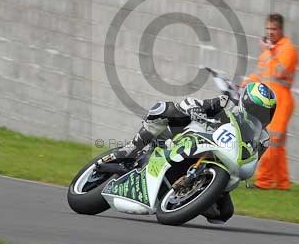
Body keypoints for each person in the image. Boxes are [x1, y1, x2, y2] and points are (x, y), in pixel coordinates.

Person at [113, 82, 277, 223]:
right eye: (256, 109)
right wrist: (196, 110)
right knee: (166, 110)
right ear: (245, 103)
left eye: (265, 112)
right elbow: (198, 104)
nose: (260, 115)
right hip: (193, 135)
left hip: (223, 160)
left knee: (223, 213)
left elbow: (250, 158)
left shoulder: (263, 139)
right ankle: (131, 148)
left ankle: (186, 195)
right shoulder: (227, 104)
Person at [243, 13, 299, 190]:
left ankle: (264, 182)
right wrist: (246, 81)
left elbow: (280, 72)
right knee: (278, 145)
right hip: (269, 99)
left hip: (281, 100)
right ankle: (282, 183)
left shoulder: (287, 49)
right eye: (267, 29)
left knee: (271, 140)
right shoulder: (269, 50)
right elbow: (260, 74)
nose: (270, 32)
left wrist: (271, 50)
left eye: (273, 29)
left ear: (280, 29)